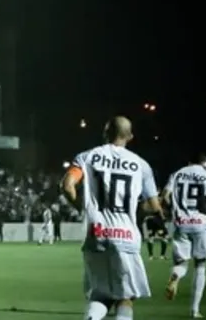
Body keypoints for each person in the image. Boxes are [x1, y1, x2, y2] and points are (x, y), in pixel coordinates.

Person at [60, 116, 162, 320]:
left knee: (100, 294)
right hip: (125, 235)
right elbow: (153, 206)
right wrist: (134, 211)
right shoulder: (141, 165)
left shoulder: (87, 157)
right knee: (125, 297)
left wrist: (83, 208)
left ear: (105, 133)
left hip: (96, 234)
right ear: (130, 136)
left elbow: (67, 185)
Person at [160, 153, 206, 319]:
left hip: (181, 222)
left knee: (181, 262)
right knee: (200, 266)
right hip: (201, 223)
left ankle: (176, 276)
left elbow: (165, 196)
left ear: (189, 161)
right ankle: (194, 310)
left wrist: (173, 211)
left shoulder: (176, 174)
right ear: (203, 163)